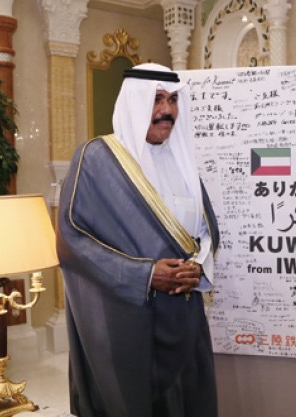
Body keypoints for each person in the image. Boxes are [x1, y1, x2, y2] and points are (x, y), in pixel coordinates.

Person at [57, 62, 220, 417]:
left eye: (173, 100)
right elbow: (72, 241)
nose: (167, 110)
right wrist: (145, 275)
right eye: (157, 99)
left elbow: (205, 231)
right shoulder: (95, 158)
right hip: (125, 317)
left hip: (183, 311)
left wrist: (198, 267)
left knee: (189, 400)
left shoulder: (182, 161)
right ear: (134, 102)